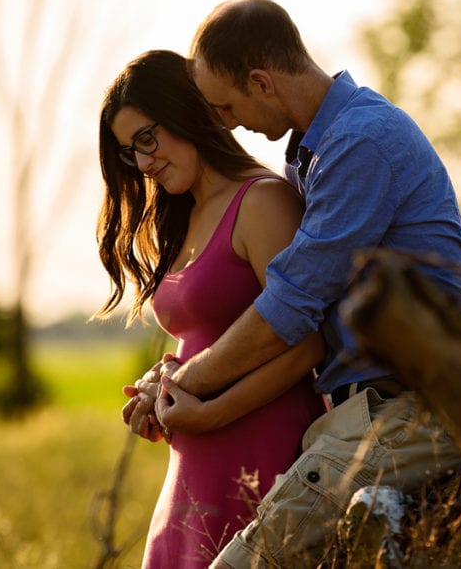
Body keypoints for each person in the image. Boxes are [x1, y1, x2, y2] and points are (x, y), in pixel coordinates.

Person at [143, 0, 461, 568]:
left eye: (226, 105)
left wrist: (187, 384)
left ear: (261, 83)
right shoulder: (317, 151)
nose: (227, 123)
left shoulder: (358, 143)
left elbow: (290, 308)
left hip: (405, 413)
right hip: (367, 414)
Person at [96, 49, 327, 569]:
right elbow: (205, 339)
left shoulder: (263, 200)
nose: (143, 161)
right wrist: (164, 388)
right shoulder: (182, 218)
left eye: (147, 138)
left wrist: (211, 411)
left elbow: (310, 341)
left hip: (263, 447)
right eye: (130, 151)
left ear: (185, 111)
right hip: (193, 464)